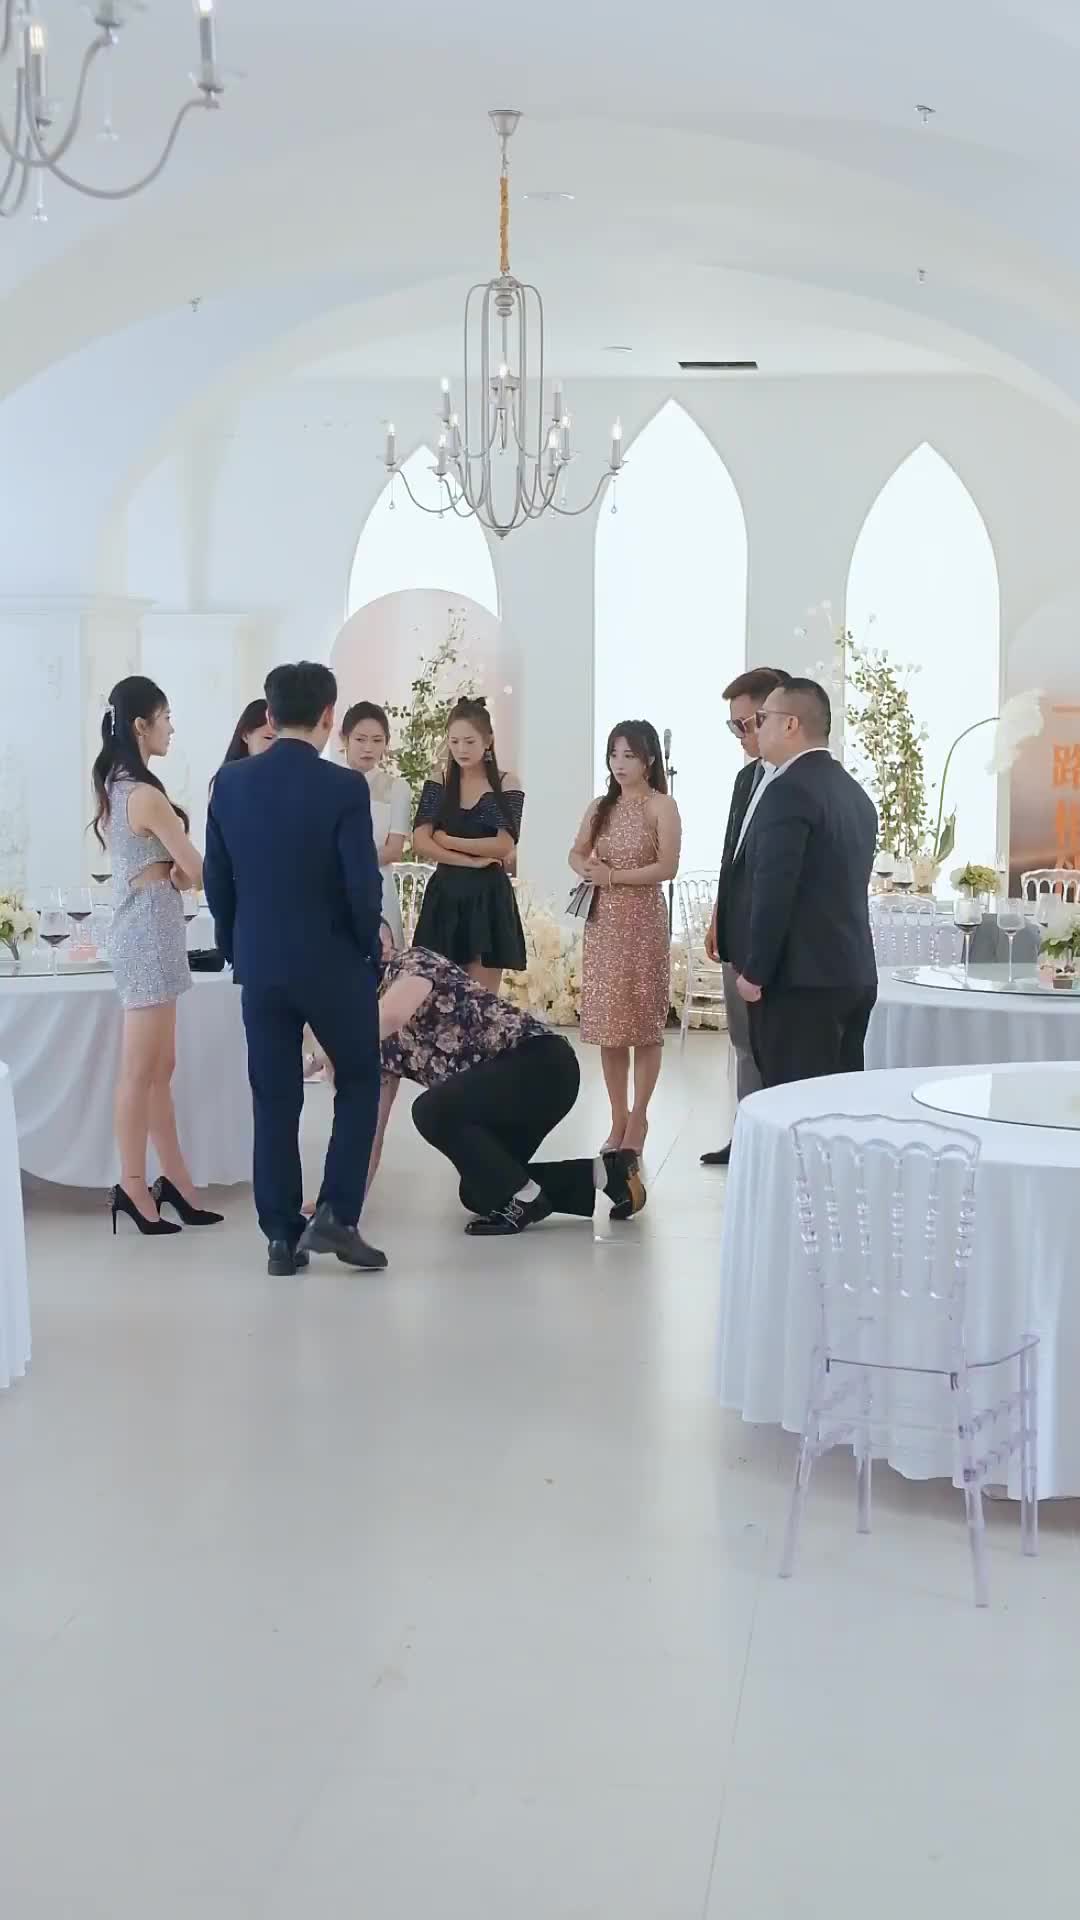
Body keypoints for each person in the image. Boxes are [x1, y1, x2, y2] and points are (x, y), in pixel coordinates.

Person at [204, 661, 387, 1277]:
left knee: (274, 1098)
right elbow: (361, 884)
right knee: (358, 1080)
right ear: (329, 716)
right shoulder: (344, 787)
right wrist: (368, 949)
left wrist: (237, 948)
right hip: (334, 961)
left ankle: (281, 1238)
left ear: (270, 714)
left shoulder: (230, 783)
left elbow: (217, 880)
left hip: (261, 964)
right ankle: (336, 1213)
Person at [370, 939, 646, 1237]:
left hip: (541, 1066)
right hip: (505, 1097)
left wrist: (335, 1047)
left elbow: (392, 1014)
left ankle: (525, 1198)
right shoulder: (379, 1044)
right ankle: (607, 1174)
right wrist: (341, 1208)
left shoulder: (410, 963)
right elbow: (370, 1133)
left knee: (429, 1110)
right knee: (481, 1191)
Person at [91, 676, 223, 1237]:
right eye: (165, 717)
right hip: (147, 933)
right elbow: (195, 868)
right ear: (141, 725)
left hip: (154, 929)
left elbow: (181, 870)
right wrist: (178, 872)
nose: (171, 727)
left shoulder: (123, 786)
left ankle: (177, 1182)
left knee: (160, 1069)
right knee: (139, 1072)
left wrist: (174, 872)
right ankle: (132, 1184)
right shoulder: (142, 793)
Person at [717, 677, 878, 1090]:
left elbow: (774, 890)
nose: (757, 729)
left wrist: (754, 974)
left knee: (794, 1107)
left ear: (790, 724)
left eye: (763, 719)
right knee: (839, 1106)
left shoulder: (786, 791)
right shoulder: (853, 793)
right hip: (850, 975)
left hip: (799, 985)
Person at [570, 720, 681, 1155]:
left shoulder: (661, 806)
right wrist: (584, 867)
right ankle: (618, 1117)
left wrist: (613, 876)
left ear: (649, 759)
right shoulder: (600, 806)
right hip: (603, 925)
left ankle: (639, 1119)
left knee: (644, 1025)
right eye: (614, 754)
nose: (619, 763)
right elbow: (576, 851)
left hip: (643, 923)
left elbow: (667, 867)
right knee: (610, 1026)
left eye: (629, 755)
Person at [702, 666, 789, 1166]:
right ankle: (746, 1135)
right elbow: (730, 856)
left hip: (774, 938)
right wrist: (719, 914)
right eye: (733, 725)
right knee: (742, 1042)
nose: (740, 734)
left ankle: (773, 1143)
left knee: (774, 1043)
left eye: (746, 723)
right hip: (737, 929)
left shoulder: (796, 781)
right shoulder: (746, 778)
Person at [410, 696, 525, 992]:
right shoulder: (439, 780)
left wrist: (448, 840)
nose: (461, 749)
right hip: (445, 895)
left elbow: (503, 845)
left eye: (469, 741)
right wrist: (470, 860)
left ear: (488, 741)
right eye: (454, 741)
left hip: (488, 898)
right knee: (438, 997)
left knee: (481, 1001)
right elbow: (420, 841)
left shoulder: (507, 782)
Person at [340, 700, 412, 946]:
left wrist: (349, 864)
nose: (368, 748)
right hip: (334, 885)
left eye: (377, 740)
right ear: (345, 739)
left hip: (378, 884)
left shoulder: (397, 788)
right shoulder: (327, 782)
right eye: (360, 739)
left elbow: (394, 849)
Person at [220, 699, 276, 767]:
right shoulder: (230, 772)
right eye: (269, 738)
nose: (278, 745)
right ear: (245, 736)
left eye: (283, 739)